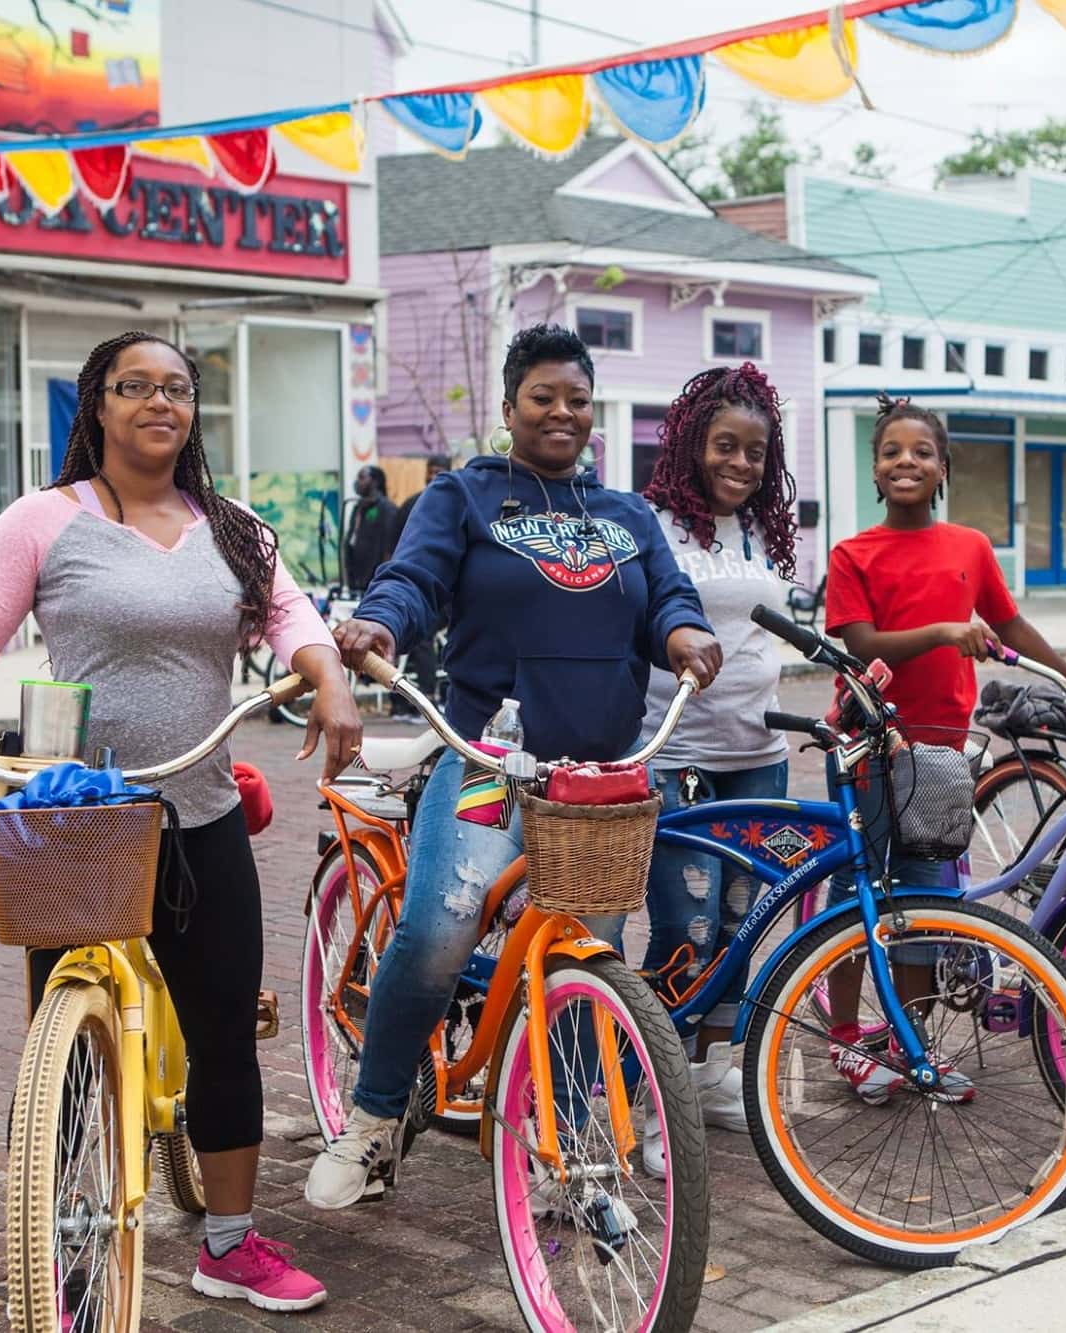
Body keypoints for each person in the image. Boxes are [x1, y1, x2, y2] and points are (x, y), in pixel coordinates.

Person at [0, 331, 359, 1315]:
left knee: (223, 1026)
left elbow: (292, 618)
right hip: (77, 815)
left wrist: (329, 677)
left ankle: (227, 1241)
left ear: (192, 411)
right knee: (62, 1032)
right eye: (133, 385)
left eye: (176, 388)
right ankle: (57, 1215)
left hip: (202, 810)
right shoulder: (43, 521)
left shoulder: (232, 528)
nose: (157, 402)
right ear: (95, 404)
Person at [305, 324, 722, 1208]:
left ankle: (565, 1149)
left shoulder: (627, 515)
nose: (562, 412)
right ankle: (375, 1120)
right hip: (490, 754)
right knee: (437, 934)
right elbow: (413, 580)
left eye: (577, 397)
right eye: (543, 396)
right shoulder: (465, 496)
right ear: (509, 408)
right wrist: (381, 622)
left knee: (592, 957)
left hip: (599, 774)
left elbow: (668, 598)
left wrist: (685, 633)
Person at [821, 393, 1066, 1104]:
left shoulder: (970, 547)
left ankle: (909, 1046)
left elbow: (1013, 627)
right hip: (870, 747)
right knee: (855, 893)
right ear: (874, 469)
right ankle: (843, 1034)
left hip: (941, 753)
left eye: (921, 452)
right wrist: (942, 633)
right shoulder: (852, 553)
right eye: (892, 451)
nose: (906, 461)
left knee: (925, 902)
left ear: (943, 468)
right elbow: (860, 643)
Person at [631, 364, 797, 1165]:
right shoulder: (651, 522)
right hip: (677, 754)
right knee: (683, 927)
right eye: (725, 446)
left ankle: (710, 1077)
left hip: (759, 753)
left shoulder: (766, 529)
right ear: (692, 445)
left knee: (741, 925)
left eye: (755, 452)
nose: (740, 464)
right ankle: (649, 1093)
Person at [389, 454, 452, 715]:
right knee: (417, 635)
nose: (431, 476)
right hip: (418, 590)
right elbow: (393, 550)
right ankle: (419, 699)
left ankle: (429, 696)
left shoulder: (457, 504)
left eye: (437, 471)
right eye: (429, 471)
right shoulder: (412, 505)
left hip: (449, 592)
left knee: (424, 637)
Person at [342, 464, 401, 596]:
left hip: (375, 581)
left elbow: (389, 549)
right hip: (356, 581)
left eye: (362, 477)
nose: (357, 482)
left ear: (375, 481)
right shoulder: (358, 507)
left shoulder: (387, 509)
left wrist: (382, 581)